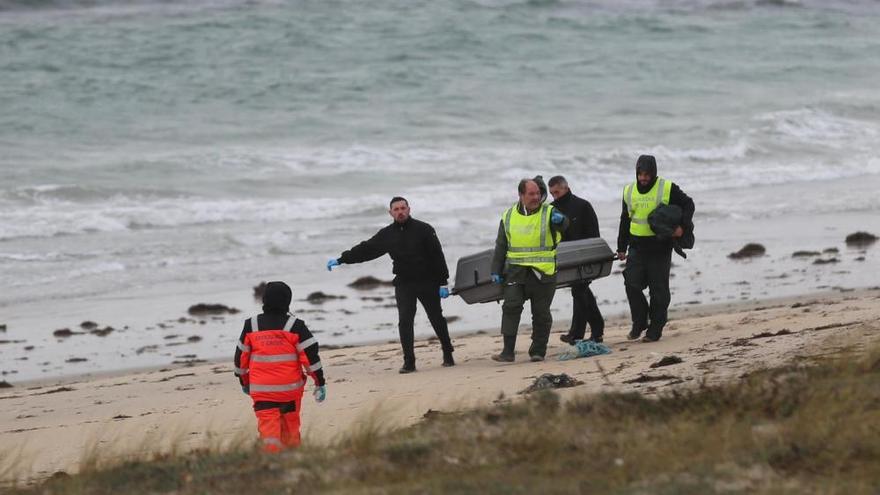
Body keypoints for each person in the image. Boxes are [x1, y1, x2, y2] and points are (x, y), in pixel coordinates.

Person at [327, 197, 454, 373]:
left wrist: (443, 282)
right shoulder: (387, 234)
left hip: (427, 281)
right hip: (404, 283)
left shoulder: (424, 229)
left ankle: (448, 352)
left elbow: (437, 256)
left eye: (403, 208)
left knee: (436, 318)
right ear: (390, 212)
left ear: (409, 209)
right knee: (404, 321)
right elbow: (367, 249)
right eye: (396, 209)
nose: (400, 211)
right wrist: (342, 259)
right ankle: (409, 362)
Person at [234, 281, 326, 453]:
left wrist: (244, 382)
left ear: (264, 300)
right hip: (289, 392)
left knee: (269, 432)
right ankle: (293, 459)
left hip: (262, 393)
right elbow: (311, 357)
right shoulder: (296, 326)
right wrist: (320, 382)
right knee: (291, 427)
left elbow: (240, 360)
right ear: (287, 301)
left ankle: (272, 462)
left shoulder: (251, 325)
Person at [617, 155, 694, 343]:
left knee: (658, 290)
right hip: (636, 246)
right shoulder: (628, 191)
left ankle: (655, 329)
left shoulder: (667, 188)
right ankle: (640, 322)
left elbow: (688, 204)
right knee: (631, 284)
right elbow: (625, 219)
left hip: (660, 246)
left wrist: (682, 227)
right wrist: (621, 247)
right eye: (640, 174)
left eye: (647, 174)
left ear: (654, 173)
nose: (643, 178)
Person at [490, 177, 568, 362]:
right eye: (531, 194)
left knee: (541, 313)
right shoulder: (508, 216)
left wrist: (561, 221)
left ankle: (538, 351)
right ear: (521, 195)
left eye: (538, 194)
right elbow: (501, 245)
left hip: (543, 272)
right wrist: (495, 270)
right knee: (511, 307)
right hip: (516, 272)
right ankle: (507, 352)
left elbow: (565, 226)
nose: (536, 197)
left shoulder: (549, 212)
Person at [548, 175, 605, 344]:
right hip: (565, 259)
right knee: (579, 291)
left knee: (579, 291)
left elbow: (595, 234)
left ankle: (596, 329)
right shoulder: (551, 209)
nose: (554, 196)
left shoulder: (583, 206)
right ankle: (578, 332)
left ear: (566, 188)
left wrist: (594, 257)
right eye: (552, 193)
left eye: (557, 192)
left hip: (585, 257)